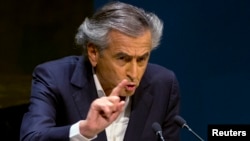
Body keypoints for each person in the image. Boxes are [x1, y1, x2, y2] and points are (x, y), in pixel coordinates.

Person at [20, 1, 181, 141]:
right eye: (123, 58)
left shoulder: (163, 84)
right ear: (94, 53)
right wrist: (84, 131)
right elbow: (31, 137)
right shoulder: (54, 78)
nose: (134, 72)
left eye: (141, 59)